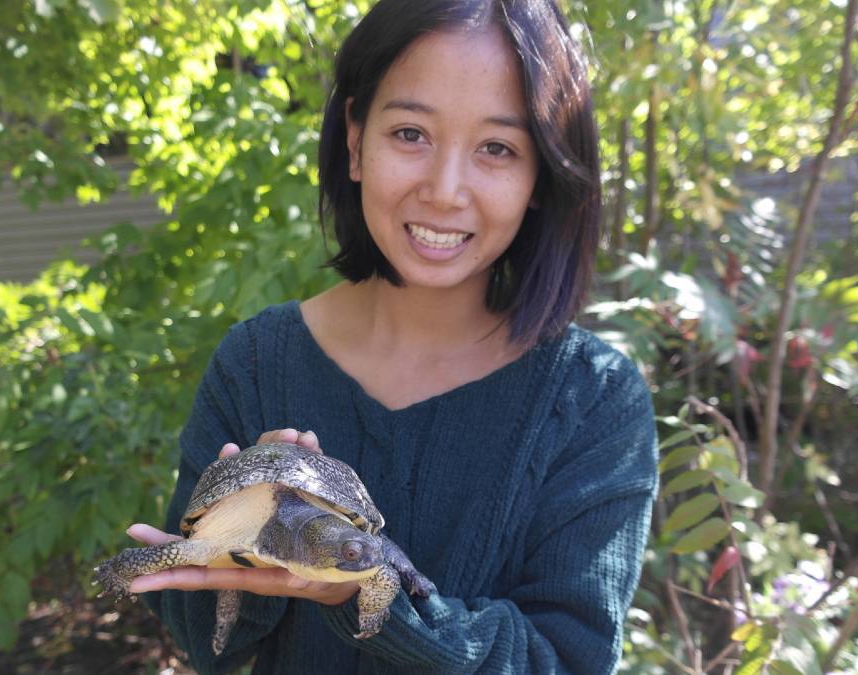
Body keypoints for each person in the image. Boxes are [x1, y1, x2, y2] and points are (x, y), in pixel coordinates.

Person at [127, 0, 658, 672]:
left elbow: (569, 660)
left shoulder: (595, 400)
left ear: (540, 176)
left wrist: (364, 591)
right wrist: (255, 539)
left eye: (497, 147)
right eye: (411, 133)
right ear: (355, 141)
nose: (444, 189)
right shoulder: (257, 364)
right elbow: (204, 634)